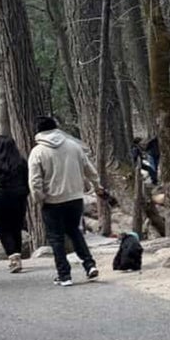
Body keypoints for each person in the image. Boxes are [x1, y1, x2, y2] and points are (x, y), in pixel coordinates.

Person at [27, 116, 101, 286]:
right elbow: (89, 169)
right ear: (56, 128)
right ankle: (89, 265)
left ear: (38, 131)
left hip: (52, 201)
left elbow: (34, 181)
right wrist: (97, 186)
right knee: (75, 231)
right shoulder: (73, 146)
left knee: (56, 238)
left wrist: (39, 198)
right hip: (74, 198)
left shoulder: (37, 151)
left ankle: (64, 275)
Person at [0, 135, 29, 273]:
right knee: (16, 227)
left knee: (2, 227)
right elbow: (26, 179)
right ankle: (18, 255)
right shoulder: (21, 162)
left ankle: (12, 256)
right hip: (18, 197)